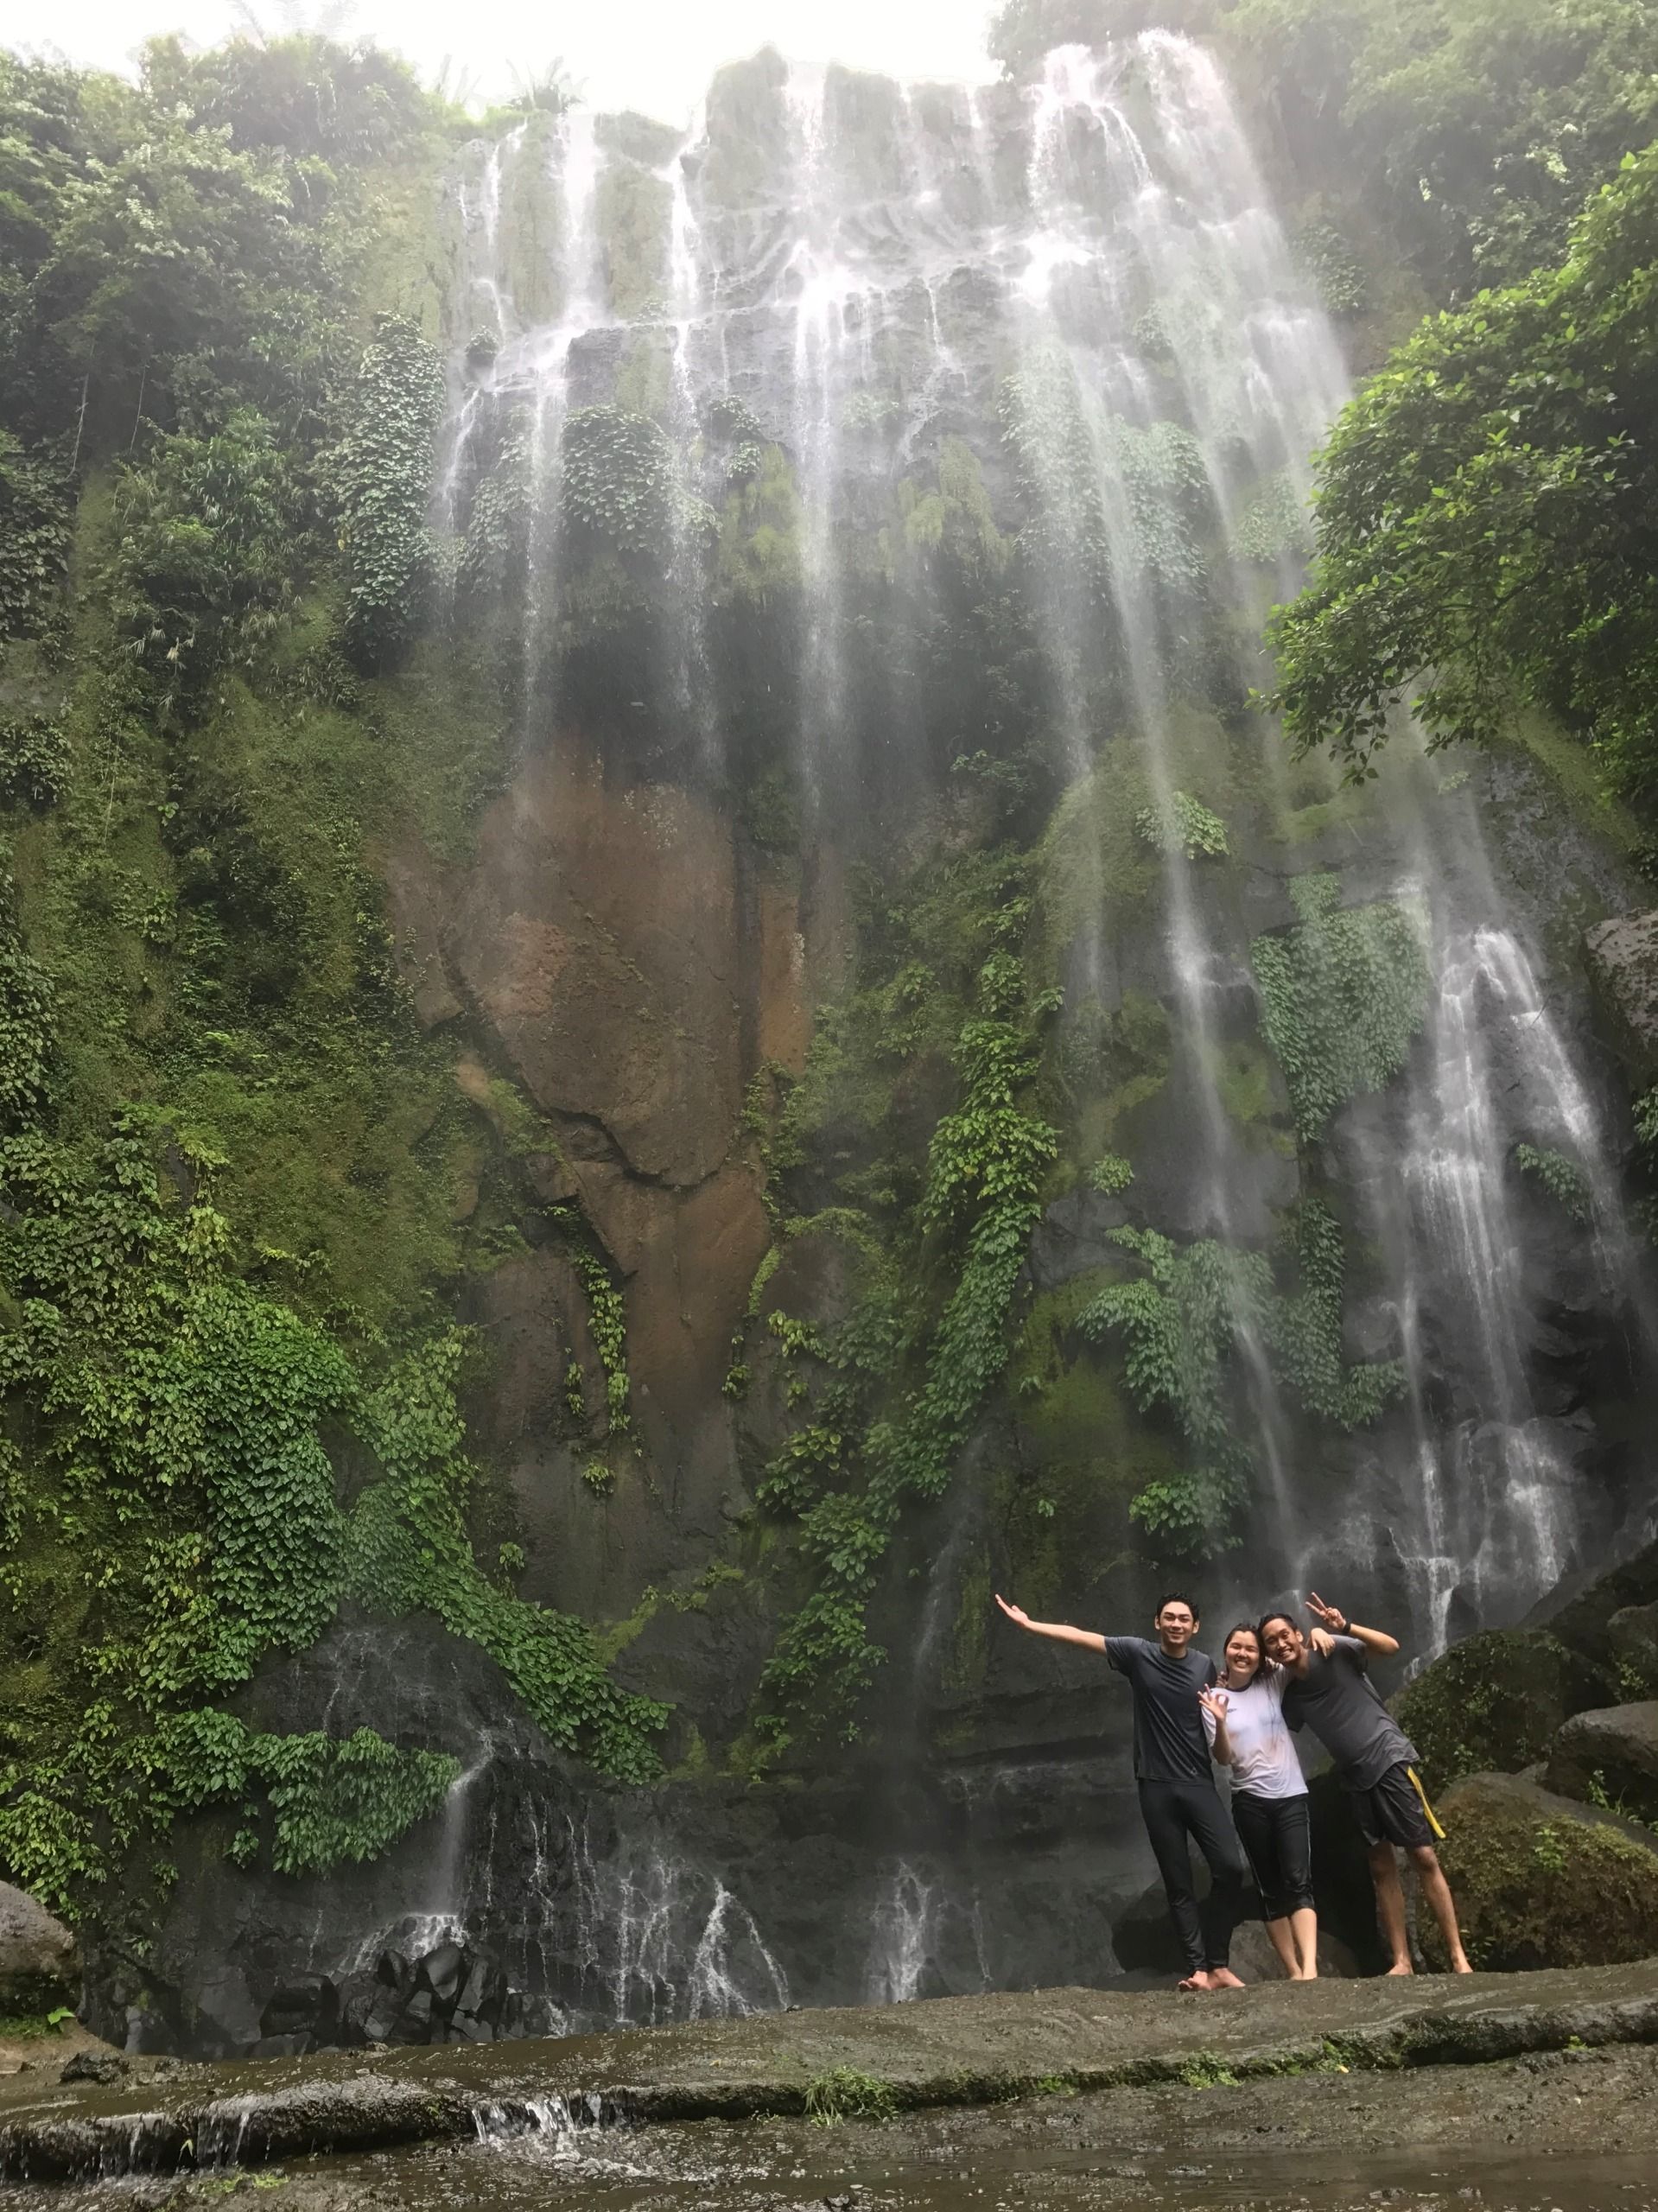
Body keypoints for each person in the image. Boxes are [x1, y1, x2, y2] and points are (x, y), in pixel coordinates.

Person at [994, 1588, 1247, 1992]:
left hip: (1198, 1781)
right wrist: (1030, 1625)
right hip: (1156, 1786)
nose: (1176, 1624)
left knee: (1231, 1869)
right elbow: (1081, 1636)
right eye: (1169, 1617)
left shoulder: (1204, 1665)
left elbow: (1245, 1680)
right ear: (1157, 1622)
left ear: (1195, 1627)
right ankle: (1199, 1969)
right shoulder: (1137, 1653)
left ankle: (1219, 1962)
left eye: (1184, 1619)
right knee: (1177, 1879)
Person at [1261, 1593, 1472, 1976]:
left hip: (1388, 1759)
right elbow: (1265, 1713)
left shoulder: (1332, 1648)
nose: (1280, 1644)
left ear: (1296, 1633)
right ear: (1269, 1653)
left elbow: (1391, 1647)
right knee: (1380, 1866)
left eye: (1284, 1634)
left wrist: (1341, 1626)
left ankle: (1458, 1957)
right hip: (1355, 1777)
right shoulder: (1288, 1692)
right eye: (1271, 1642)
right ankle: (1402, 1961)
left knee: (1423, 1856)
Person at [1198, 1623, 1319, 1981]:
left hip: (1291, 1795)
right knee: (1270, 1887)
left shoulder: (1272, 1681)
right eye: (1236, 1647)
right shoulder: (1213, 1701)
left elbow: (1298, 1656)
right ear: (1226, 1652)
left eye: (1251, 1649)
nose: (1243, 1653)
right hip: (1249, 1801)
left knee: (1299, 1880)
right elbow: (1222, 1758)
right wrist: (1220, 1721)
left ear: (1259, 1656)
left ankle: (1310, 1969)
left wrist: (1321, 1633)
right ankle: (1293, 1971)